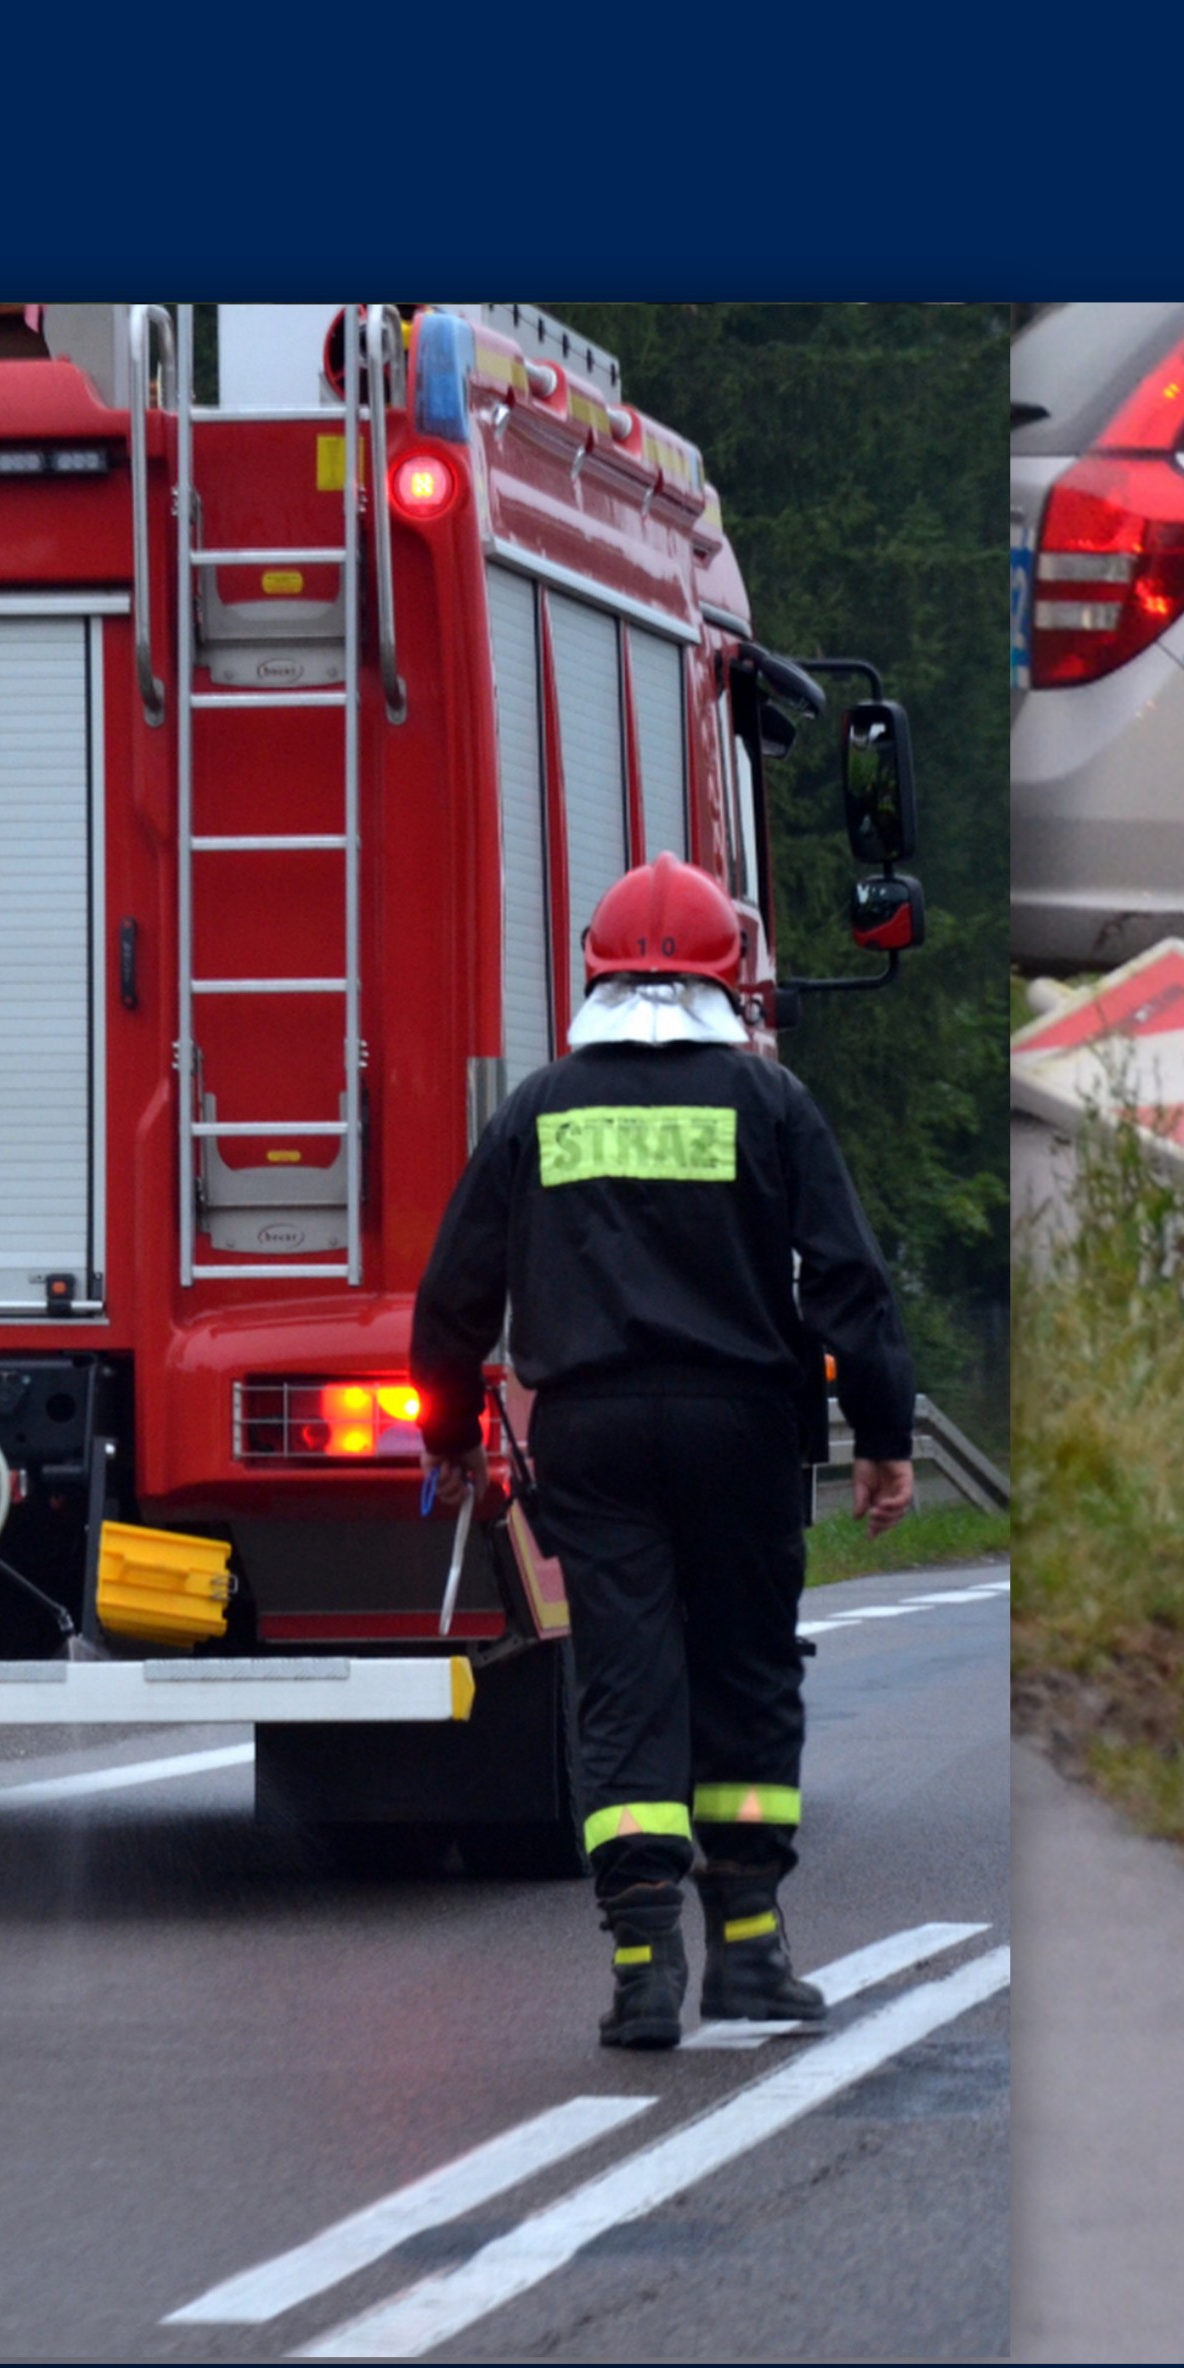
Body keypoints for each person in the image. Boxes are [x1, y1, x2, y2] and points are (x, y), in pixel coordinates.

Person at [409, 858, 918, 2051]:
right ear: (726, 976)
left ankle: (643, 1968)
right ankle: (749, 1953)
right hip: (741, 1428)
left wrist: (453, 1441)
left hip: (590, 1433)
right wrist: (886, 1439)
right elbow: (849, 1284)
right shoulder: (771, 1105)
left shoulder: (538, 1108)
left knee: (624, 1679)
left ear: (592, 967)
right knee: (744, 1669)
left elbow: (451, 1298)